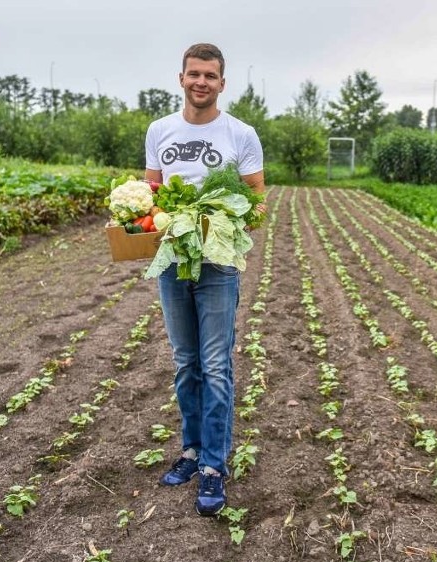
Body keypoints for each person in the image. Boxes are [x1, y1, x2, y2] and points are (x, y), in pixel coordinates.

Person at [143, 43, 265, 517]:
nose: (201, 82)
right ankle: (192, 450)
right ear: (181, 78)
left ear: (221, 83)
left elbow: (255, 199)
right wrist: (151, 218)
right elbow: (151, 193)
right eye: (194, 74)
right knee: (184, 362)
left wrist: (219, 223)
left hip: (217, 266)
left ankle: (214, 465)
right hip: (173, 261)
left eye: (210, 76)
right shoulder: (159, 130)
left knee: (215, 365)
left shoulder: (241, 133)